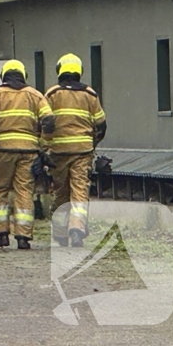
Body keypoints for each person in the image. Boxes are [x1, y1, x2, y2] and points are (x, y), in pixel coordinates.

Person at [0, 60, 55, 250]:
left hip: (2, 152)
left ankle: (1, 235)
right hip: (29, 152)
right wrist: (43, 145)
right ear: (23, 75)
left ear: (3, 76)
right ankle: (23, 237)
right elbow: (49, 120)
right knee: (24, 191)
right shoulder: (36, 96)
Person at [45, 53, 107, 248]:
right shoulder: (90, 94)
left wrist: (44, 148)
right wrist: (92, 144)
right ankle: (77, 229)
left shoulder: (52, 94)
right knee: (79, 191)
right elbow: (101, 125)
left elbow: (45, 123)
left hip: (58, 152)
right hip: (82, 151)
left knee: (61, 192)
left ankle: (61, 233)